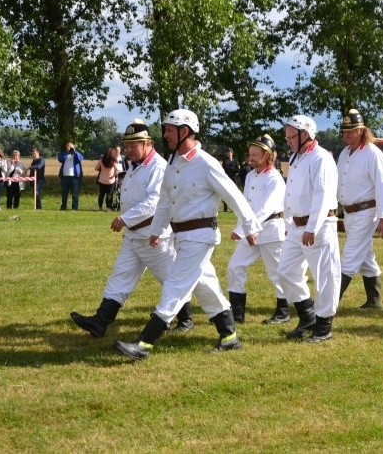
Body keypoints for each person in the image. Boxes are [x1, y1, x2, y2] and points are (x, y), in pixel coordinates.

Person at [113, 109, 260, 360]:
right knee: (206, 285)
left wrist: (250, 226)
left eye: (169, 130)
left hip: (200, 236)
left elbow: (233, 195)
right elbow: (163, 201)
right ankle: (229, 337)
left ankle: (144, 344)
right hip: (181, 236)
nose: (165, 135)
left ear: (185, 131)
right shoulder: (173, 163)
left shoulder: (206, 163)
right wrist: (157, 230)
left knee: (175, 286)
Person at [71, 120, 193, 338]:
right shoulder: (135, 166)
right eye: (127, 146)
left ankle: (186, 319)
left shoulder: (158, 166)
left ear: (148, 144)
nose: (129, 150)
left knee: (171, 279)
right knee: (120, 276)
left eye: (134, 145)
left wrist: (126, 218)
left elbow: (155, 201)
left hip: (153, 237)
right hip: (133, 236)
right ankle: (101, 321)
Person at [277, 114, 341, 343]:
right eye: (287, 137)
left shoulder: (321, 158)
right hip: (296, 227)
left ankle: (324, 327)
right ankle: (307, 317)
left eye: (291, 136)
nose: (288, 141)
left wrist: (312, 227)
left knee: (325, 276)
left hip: (319, 226)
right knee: (285, 271)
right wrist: (288, 223)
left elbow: (323, 196)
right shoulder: (297, 157)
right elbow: (290, 192)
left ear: (305, 134)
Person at [226, 135, 295, 324]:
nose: (251, 157)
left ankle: (283, 312)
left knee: (277, 273)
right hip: (251, 231)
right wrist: (241, 227)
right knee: (235, 265)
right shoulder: (249, 176)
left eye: (255, 154)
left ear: (266, 155)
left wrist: (246, 230)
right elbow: (245, 206)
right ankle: (237, 313)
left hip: (271, 231)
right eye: (250, 154)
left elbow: (266, 208)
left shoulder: (275, 179)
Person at [337, 109, 383, 309]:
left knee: (349, 258)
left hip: (367, 213)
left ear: (361, 130)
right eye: (344, 131)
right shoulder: (345, 153)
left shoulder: (373, 154)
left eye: (351, 131)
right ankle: (375, 300)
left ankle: (328, 304)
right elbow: (340, 184)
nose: (346, 135)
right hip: (350, 213)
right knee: (365, 257)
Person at [58, 142, 84, 211]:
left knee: (75, 193)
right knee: (64, 193)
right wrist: (67, 153)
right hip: (65, 176)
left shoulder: (76, 154)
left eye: (71, 147)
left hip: (74, 177)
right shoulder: (64, 154)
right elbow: (60, 159)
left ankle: (74, 208)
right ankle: (63, 207)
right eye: (68, 147)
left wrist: (74, 152)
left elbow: (80, 159)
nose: (69, 148)